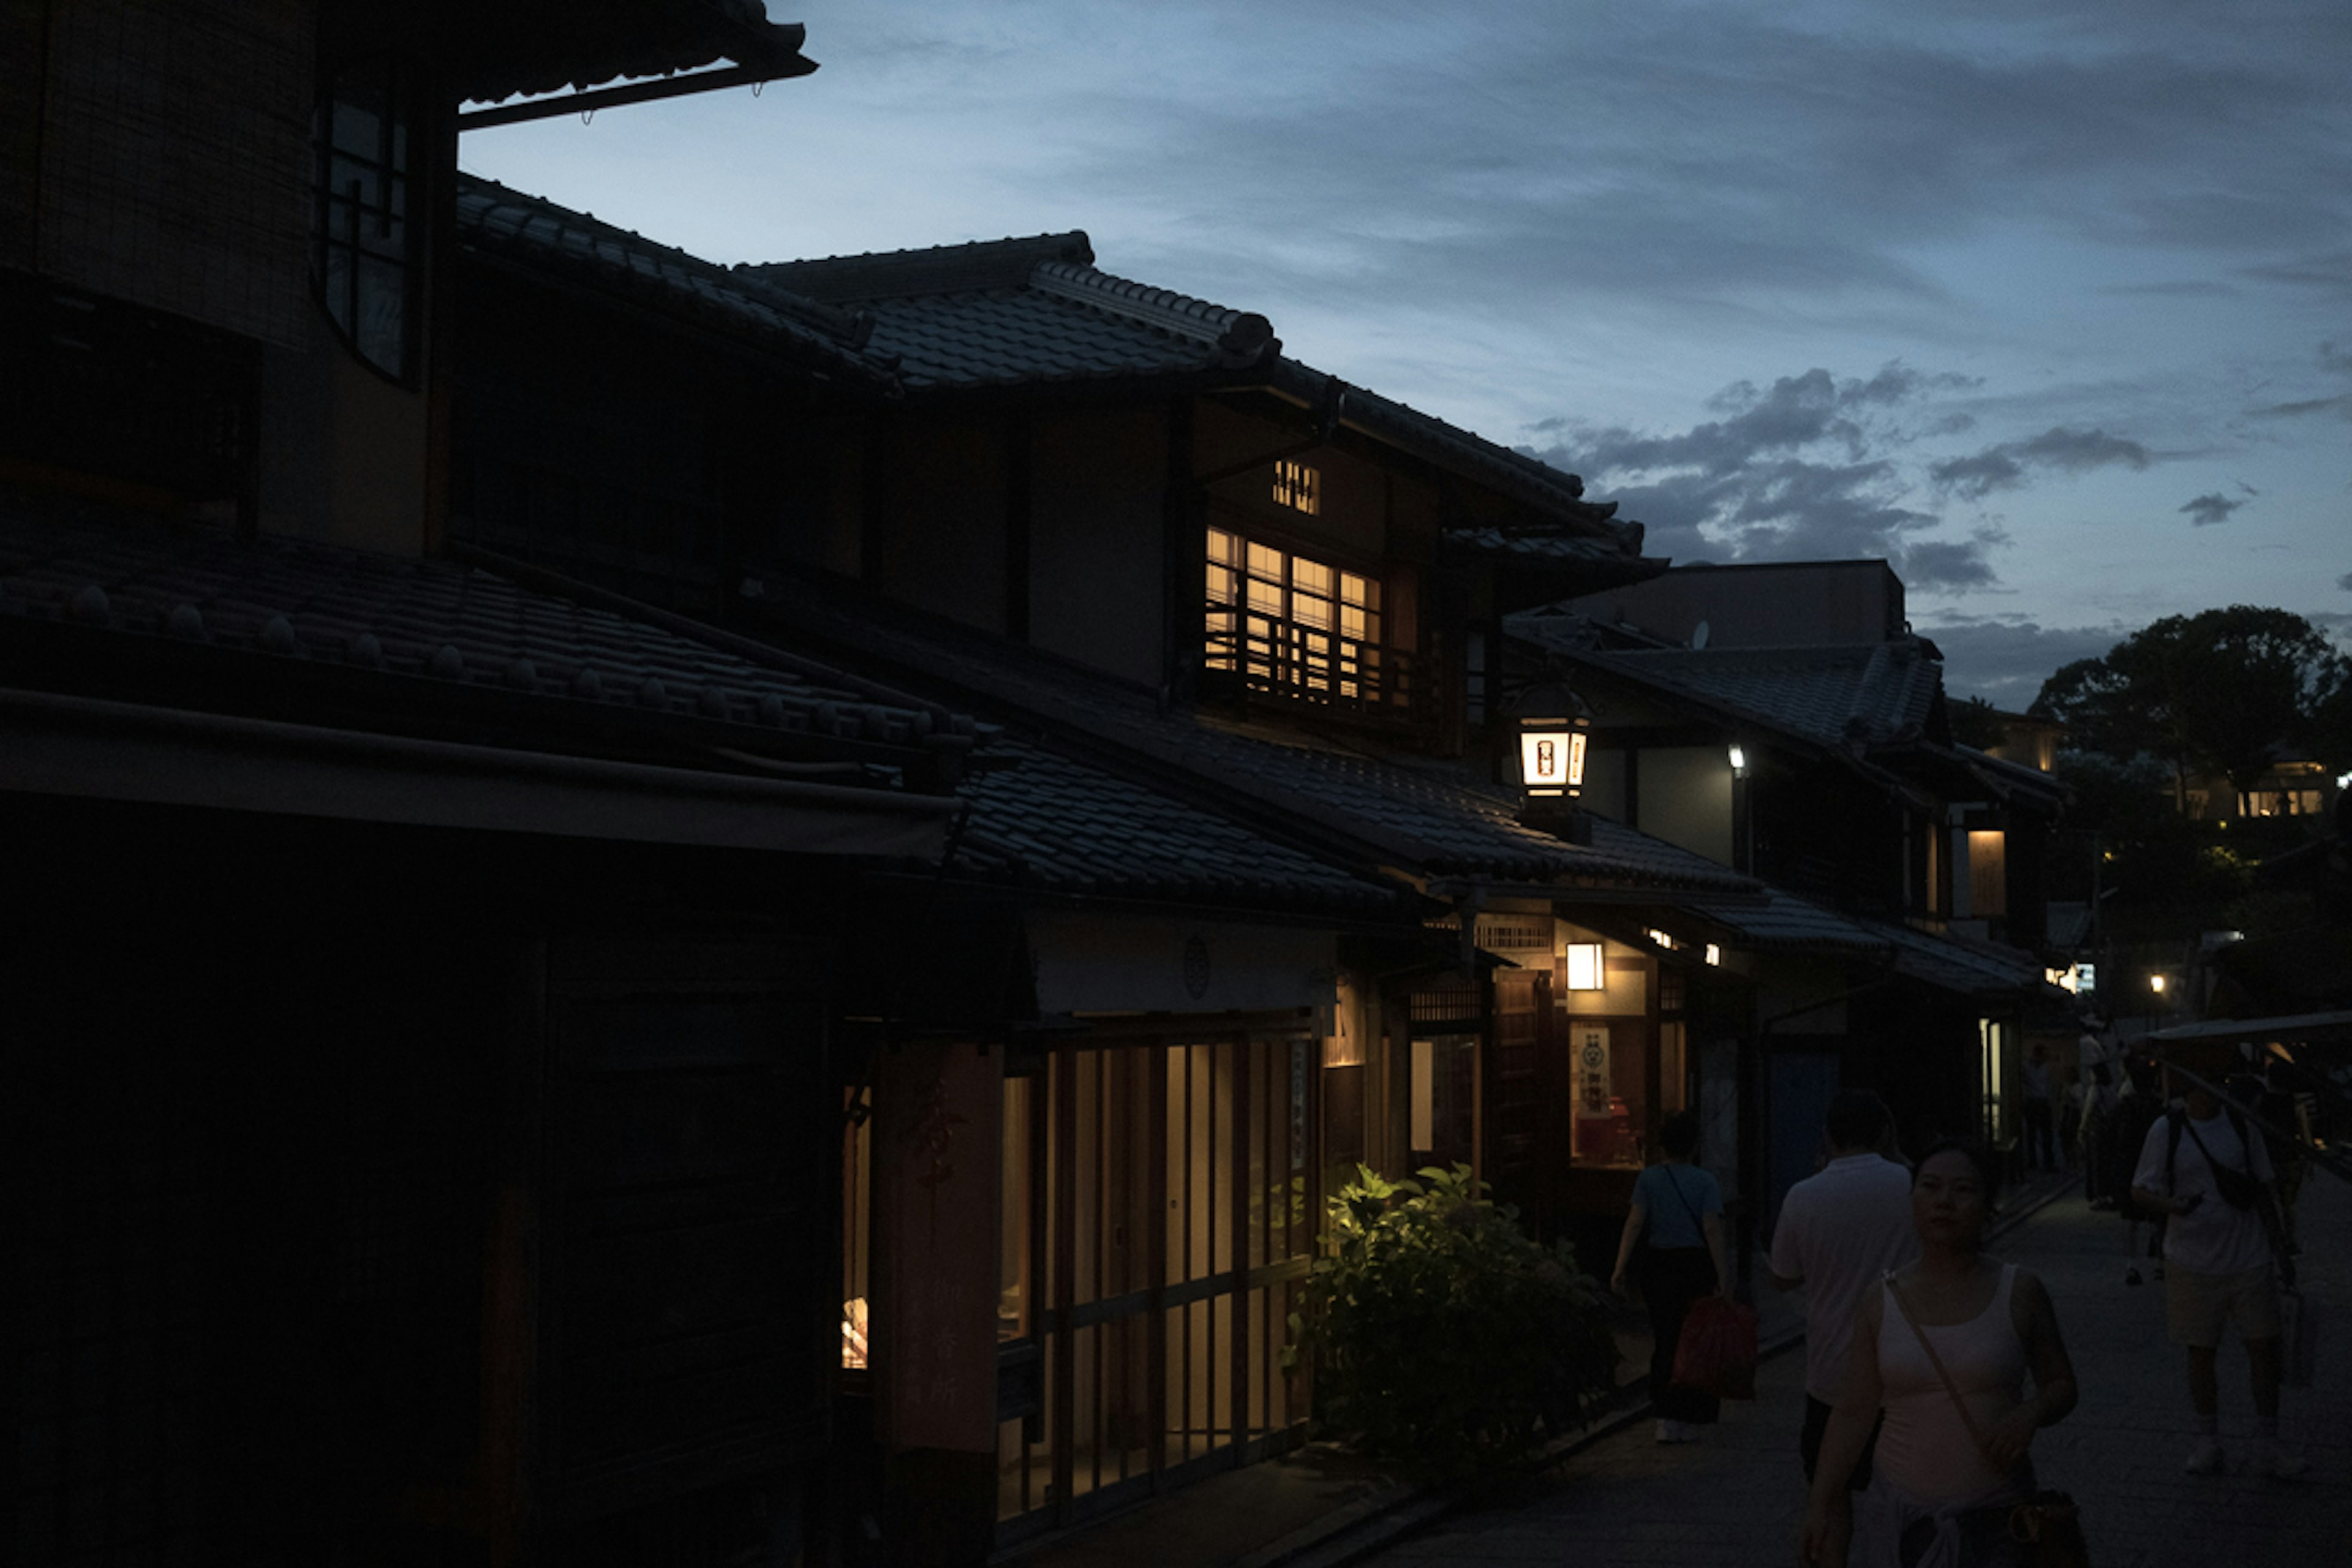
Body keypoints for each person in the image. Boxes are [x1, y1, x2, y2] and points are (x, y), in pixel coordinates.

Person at [1801, 1141, 2078, 1568]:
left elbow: (2062, 1384)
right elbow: (1855, 1410)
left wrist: (2031, 1412)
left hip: (1997, 1517)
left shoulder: (2020, 1291)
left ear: (1988, 1203)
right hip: (1899, 1515)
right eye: (1930, 1187)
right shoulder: (1880, 1300)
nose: (1944, 1202)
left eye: (1963, 1190)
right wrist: (1821, 1504)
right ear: (1912, 1200)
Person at [1770, 1090, 1918, 1568]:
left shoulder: (1803, 1196)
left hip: (1832, 1367)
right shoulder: (1912, 1186)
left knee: (1831, 1493)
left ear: (1829, 1137)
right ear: (1883, 1133)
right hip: (1908, 1367)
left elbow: (1784, 1274)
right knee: (1915, 1495)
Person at [2129, 1077, 2305, 1479]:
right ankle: (2208, 1440)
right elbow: (2140, 1188)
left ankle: (2267, 1442)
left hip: (2250, 1256)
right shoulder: (2166, 1130)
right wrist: (2172, 1205)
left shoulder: (2243, 1125)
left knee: (2263, 1350)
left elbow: (2264, 1190)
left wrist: (2282, 1250)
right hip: (2190, 1259)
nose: (2208, 1094)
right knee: (2200, 1352)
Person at [1610, 1109, 1730, 1445]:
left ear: (1663, 1145)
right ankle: (1689, 1414)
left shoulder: (1648, 1179)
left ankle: (1663, 1416)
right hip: (1694, 1266)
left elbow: (1635, 1223)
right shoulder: (1705, 1182)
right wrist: (1723, 1273)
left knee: (1664, 1338)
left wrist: (1620, 1265)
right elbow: (1712, 1229)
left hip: (1658, 1265)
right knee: (1692, 1340)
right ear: (1694, 1146)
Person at [2018, 1046, 2056, 1173]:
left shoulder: (2045, 1068)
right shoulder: (2026, 1067)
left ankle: (2047, 1162)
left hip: (2042, 1101)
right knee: (2032, 1134)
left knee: (2046, 1135)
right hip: (2033, 1101)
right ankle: (2034, 1161)